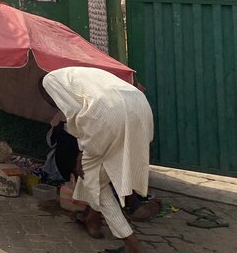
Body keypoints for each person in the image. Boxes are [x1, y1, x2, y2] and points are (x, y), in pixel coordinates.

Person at [40, 67, 153, 253]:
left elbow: (75, 113)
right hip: (139, 107)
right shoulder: (78, 74)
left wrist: (81, 153)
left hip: (108, 113)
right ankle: (93, 218)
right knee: (101, 176)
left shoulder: (50, 81)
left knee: (92, 180)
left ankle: (134, 246)